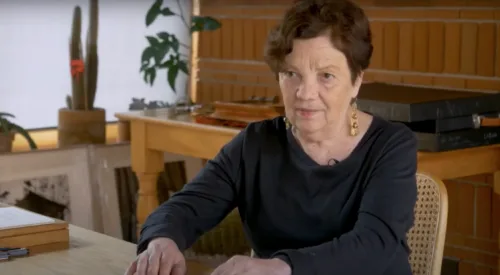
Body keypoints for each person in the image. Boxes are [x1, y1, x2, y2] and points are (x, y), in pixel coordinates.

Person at [125, 0, 418, 274]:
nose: (304, 93)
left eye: (326, 76)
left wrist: (281, 267)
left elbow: (375, 244)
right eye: (291, 74)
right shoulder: (256, 143)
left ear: (356, 81)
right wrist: (161, 239)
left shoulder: (391, 145)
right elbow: (187, 206)